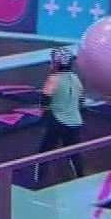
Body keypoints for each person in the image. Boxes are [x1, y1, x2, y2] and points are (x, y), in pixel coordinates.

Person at [36, 46, 86, 184]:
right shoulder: (76, 78)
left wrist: (43, 113)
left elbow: (45, 101)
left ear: (58, 62)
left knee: (44, 153)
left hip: (57, 121)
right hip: (75, 122)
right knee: (74, 154)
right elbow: (81, 101)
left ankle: (39, 182)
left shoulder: (53, 79)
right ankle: (81, 179)